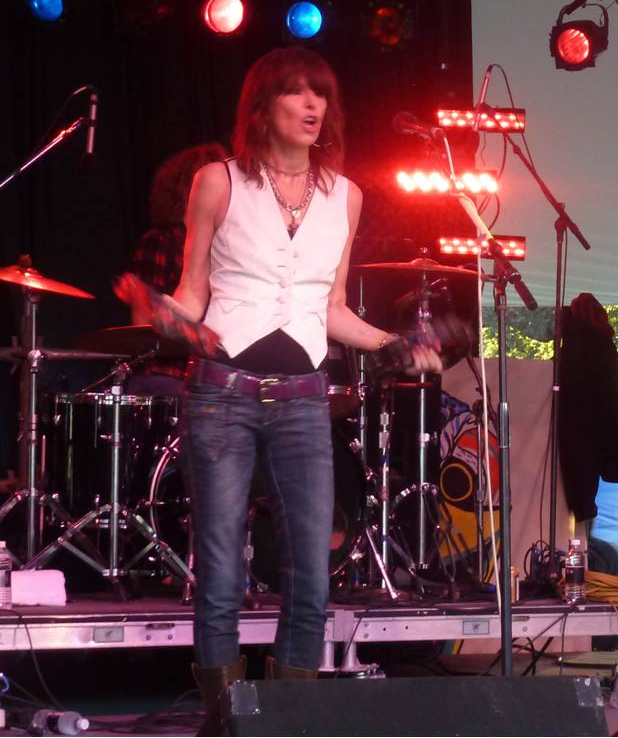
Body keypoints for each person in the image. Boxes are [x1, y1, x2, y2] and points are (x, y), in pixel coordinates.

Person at [162, 46, 440, 705]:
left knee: (311, 573)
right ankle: (225, 717)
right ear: (263, 106)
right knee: (223, 571)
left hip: (303, 400)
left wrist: (393, 343)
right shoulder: (218, 181)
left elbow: (333, 308)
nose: (313, 105)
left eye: (321, 94)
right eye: (295, 92)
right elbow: (194, 291)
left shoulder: (346, 196)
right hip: (222, 394)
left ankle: (287, 718)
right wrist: (165, 312)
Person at [127, 142, 227, 395]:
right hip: (168, 375)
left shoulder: (229, 245)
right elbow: (143, 327)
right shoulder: (161, 242)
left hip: (220, 374)